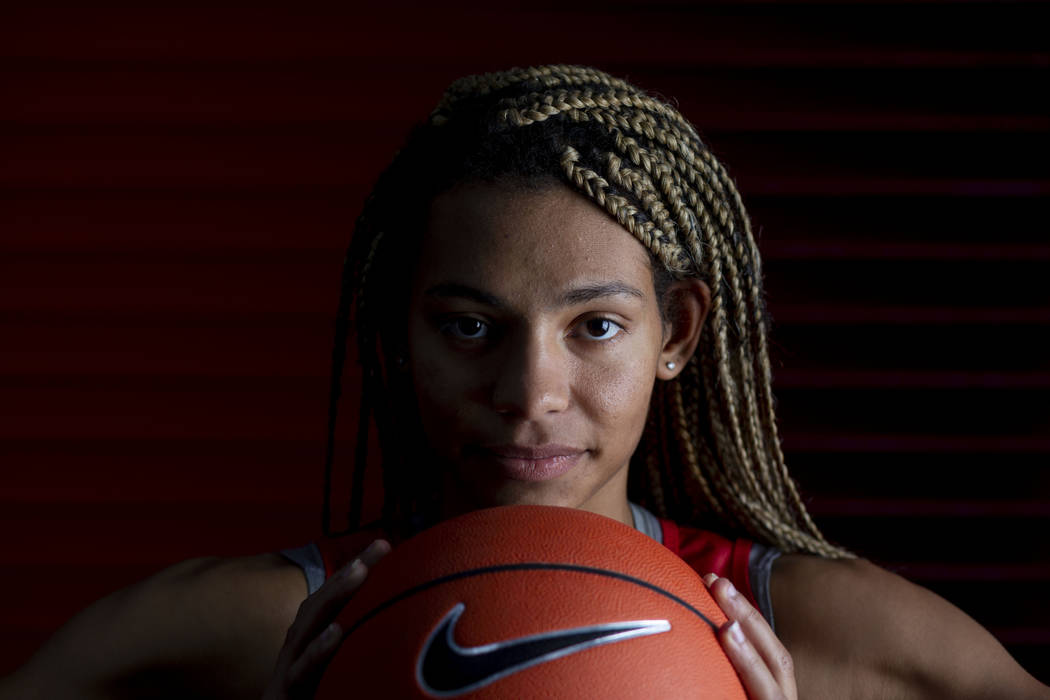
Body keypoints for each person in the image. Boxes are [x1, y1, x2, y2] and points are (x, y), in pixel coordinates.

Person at [2, 65, 1046, 700]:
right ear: (397, 333)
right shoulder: (256, 627)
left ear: (676, 334)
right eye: (468, 326)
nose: (530, 389)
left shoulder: (817, 635)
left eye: (595, 326)